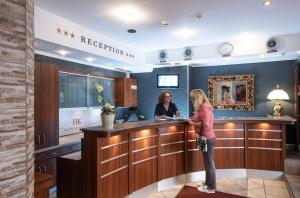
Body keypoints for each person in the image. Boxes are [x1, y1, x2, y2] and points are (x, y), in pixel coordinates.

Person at [187, 89, 216, 194]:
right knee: (207, 162)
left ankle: (211, 188)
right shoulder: (202, 107)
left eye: (192, 98)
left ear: (197, 97)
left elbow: (206, 124)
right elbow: (199, 119)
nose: (191, 100)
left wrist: (192, 123)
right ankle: (208, 183)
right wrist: (191, 119)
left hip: (207, 138)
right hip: (205, 137)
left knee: (209, 163)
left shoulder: (204, 107)